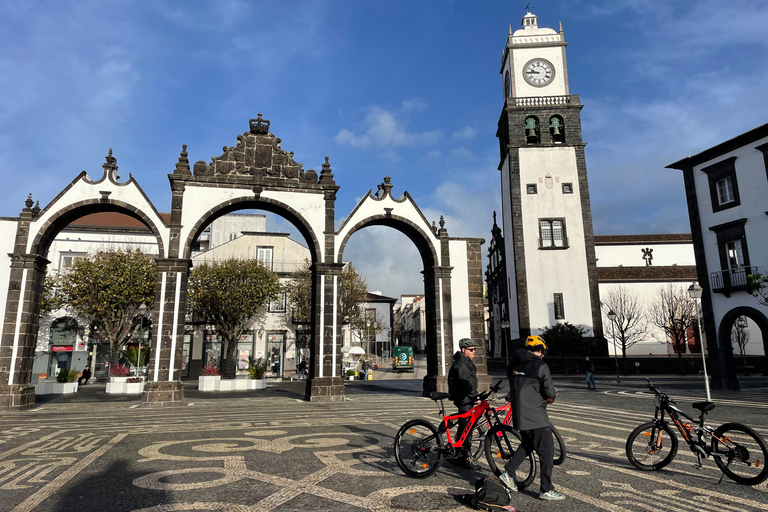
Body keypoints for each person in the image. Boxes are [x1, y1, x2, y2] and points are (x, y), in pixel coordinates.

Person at [498, 335, 565, 501]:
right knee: (547, 452)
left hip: (519, 414)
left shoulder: (513, 364)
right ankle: (546, 489)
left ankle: (508, 472)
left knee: (527, 444)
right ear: (540, 350)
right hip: (536, 415)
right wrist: (553, 394)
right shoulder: (540, 366)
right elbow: (549, 392)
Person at [447, 338, 478, 468]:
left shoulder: (466, 361)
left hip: (466, 398)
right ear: (463, 350)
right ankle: (464, 457)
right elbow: (465, 382)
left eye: (475, 349)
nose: (474, 352)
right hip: (464, 398)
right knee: (466, 428)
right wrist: (474, 396)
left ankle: (461, 453)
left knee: (465, 426)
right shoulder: (461, 363)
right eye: (471, 350)